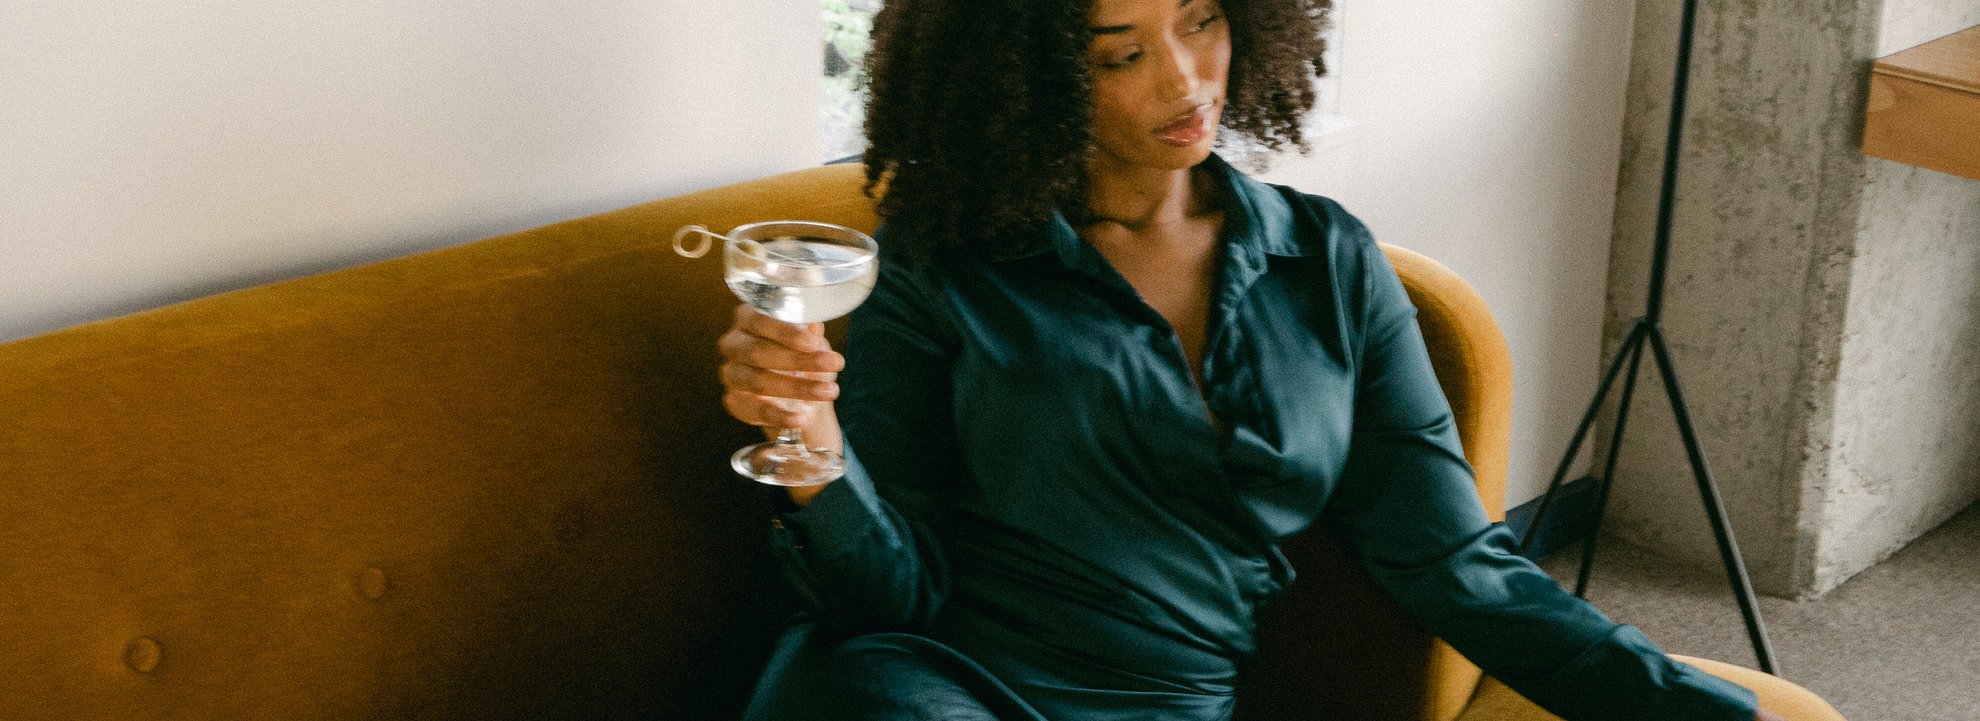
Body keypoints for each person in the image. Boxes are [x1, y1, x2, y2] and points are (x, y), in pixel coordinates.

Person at [718, 0, 1788, 719]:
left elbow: (1459, 566)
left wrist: (1700, 709)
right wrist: (810, 445)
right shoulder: (941, 264)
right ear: (1026, 76)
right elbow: (887, 595)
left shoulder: (1330, 263)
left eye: (1202, 18)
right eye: (1120, 54)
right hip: (924, 688)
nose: (1187, 80)